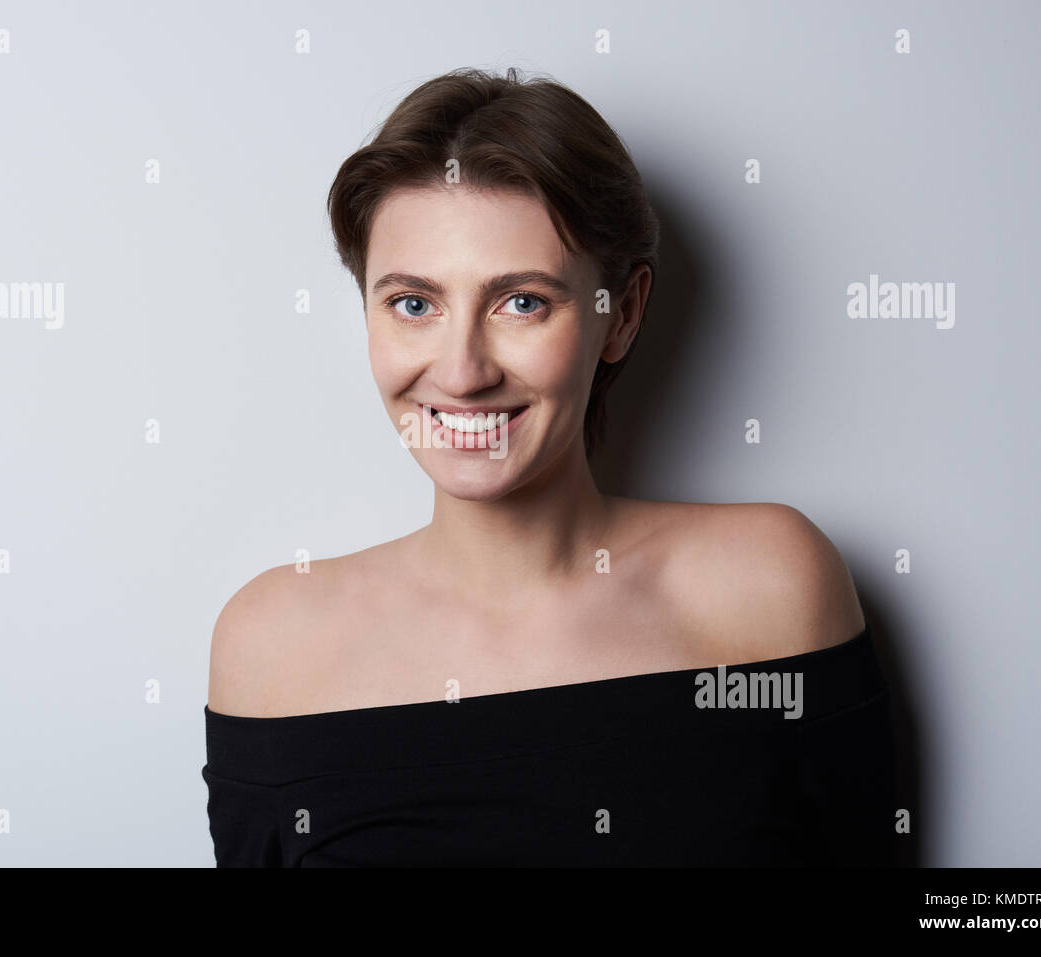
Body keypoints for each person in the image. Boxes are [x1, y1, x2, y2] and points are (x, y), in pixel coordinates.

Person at [202, 66, 896, 866]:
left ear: (621, 315)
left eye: (522, 302)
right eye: (414, 304)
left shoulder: (771, 586)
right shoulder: (272, 645)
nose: (461, 371)